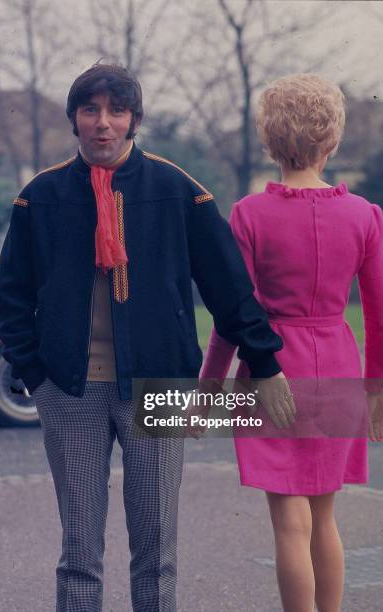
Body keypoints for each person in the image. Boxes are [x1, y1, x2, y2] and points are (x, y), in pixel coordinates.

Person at [0, 63, 291, 612]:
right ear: (74, 119)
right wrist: (36, 374)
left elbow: (230, 289)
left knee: (156, 548)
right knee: (79, 548)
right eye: (90, 110)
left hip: (161, 383)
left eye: (116, 110)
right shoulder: (39, 197)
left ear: (134, 119)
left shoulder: (181, 192)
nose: (103, 123)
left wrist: (265, 364)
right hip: (70, 388)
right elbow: (11, 296)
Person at [201, 73, 383, 612]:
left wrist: (211, 382)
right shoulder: (366, 216)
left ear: (269, 140)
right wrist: (375, 387)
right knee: (325, 516)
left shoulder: (249, 215)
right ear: (332, 141)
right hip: (340, 365)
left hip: (272, 370)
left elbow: (234, 314)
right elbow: (379, 312)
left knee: (289, 521)